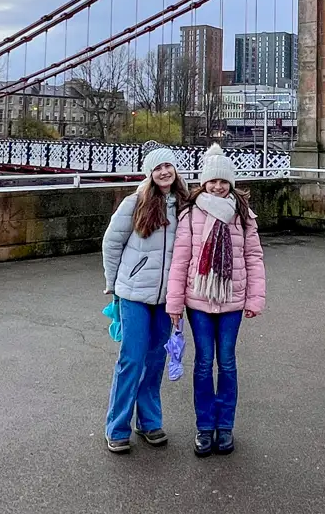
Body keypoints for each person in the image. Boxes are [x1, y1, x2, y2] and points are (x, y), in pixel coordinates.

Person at [167, 145, 266, 458]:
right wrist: (174, 303)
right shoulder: (191, 213)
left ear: (231, 184)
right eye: (213, 181)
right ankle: (204, 427)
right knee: (202, 364)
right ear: (203, 183)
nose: (218, 186)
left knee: (227, 363)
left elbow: (253, 256)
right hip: (198, 301)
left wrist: (255, 298)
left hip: (232, 302)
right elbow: (181, 258)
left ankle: (225, 427)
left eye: (224, 182)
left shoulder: (243, 214)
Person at [101, 146, 188, 454]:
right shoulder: (134, 202)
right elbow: (112, 243)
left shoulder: (185, 207)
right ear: (150, 174)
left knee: (155, 361)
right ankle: (117, 427)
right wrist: (114, 285)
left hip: (167, 299)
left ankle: (149, 421)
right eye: (158, 168)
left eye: (169, 166)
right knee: (131, 360)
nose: (164, 172)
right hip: (134, 294)